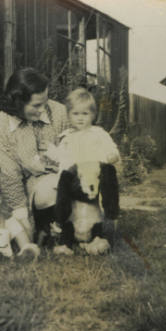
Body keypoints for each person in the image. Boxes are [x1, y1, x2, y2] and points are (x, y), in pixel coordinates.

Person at [0, 67, 69, 240]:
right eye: (36, 105)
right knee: (45, 195)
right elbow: (9, 173)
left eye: (45, 102)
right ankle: (43, 226)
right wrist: (21, 215)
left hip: (63, 180)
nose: (43, 109)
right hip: (27, 191)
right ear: (18, 102)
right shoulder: (0, 125)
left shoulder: (60, 113)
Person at [43, 87, 121, 254]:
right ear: (69, 115)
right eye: (75, 114)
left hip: (94, 176)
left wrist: (109, 156)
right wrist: (50, 151)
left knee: (108, 170)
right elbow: (60, 157)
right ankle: (62, 228)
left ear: (92, 115)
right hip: (74, 180)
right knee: (65, 176)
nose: (80, 118)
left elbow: (112, 150)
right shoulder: (67, 136)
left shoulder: (99, 134)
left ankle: (110, 214)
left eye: (85, 114)